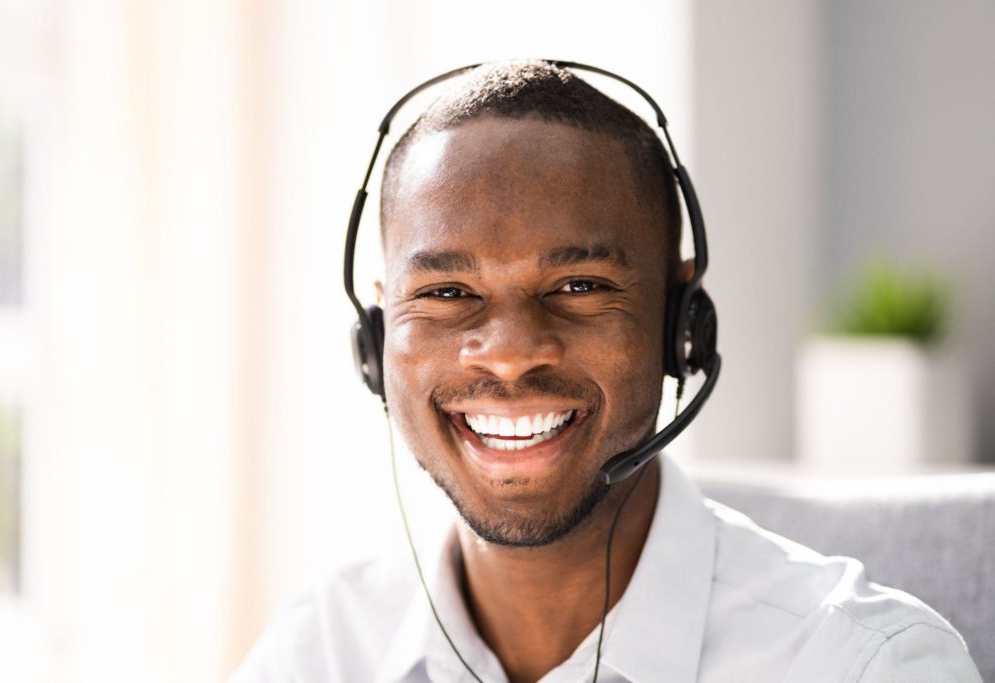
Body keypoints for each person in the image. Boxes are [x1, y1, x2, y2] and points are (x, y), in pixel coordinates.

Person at [232, 60, 981, 682]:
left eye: (580, 286)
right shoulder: (318, 652)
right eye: (447, 293)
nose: (509, 350)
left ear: (679, 324)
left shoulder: (862, 665)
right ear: (376, 333)